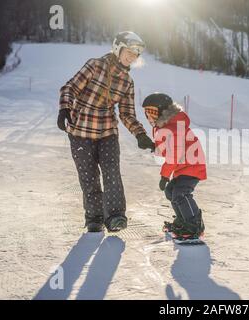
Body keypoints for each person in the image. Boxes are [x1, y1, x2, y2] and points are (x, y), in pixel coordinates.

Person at [57, 31, 155, 233]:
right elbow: (70, 87)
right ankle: (94, 217)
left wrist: (140, 134)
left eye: (135, 55)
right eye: (129, 52)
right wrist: (65, 108)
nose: (131, 57)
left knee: (112, 174)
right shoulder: (95, 66)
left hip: (107, 133)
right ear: (118, 48)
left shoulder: (127, 82)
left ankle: (116, 216)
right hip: (80, 131)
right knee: (89, 177)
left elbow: (127, 114)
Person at [142, 93, 207, 240]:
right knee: (171, 191)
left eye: (150, 113)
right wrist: (153, 146)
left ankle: (194, 225)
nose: (148, 118)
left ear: (158, 112)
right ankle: (183, 220)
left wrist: (164, 175)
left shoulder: (174, 127)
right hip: (183, 167)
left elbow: (173, 156)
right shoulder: (168, 125)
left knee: (181, 194)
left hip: (192, 166)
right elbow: (169, 150)